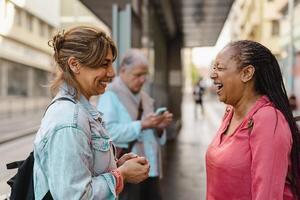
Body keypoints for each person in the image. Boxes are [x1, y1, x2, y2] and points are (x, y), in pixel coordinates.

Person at [33, 26, 150, 200]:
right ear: (74, 64)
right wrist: (121, 175)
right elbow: (75, 196)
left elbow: (82, 172)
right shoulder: (69, 121)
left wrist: (116, 165)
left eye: (111, 63)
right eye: (104, 64)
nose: (112, 73)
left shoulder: (79, 110)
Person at [206, 40, 300, 199]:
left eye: (220, 68)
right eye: (214, 68)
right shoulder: (230, 111)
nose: (212, 74)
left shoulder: (268, 119)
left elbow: (267, 194)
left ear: (247, 73)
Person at [97, 49, 173, 200]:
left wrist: (158, 127)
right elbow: (107, 133)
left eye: (145, 75)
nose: (142, 80)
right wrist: (142, 125)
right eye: (138, 75)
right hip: (128, 173)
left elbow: (153, 135)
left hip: (150, 170)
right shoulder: (110, 94)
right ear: (123, 70)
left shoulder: (144, 97)